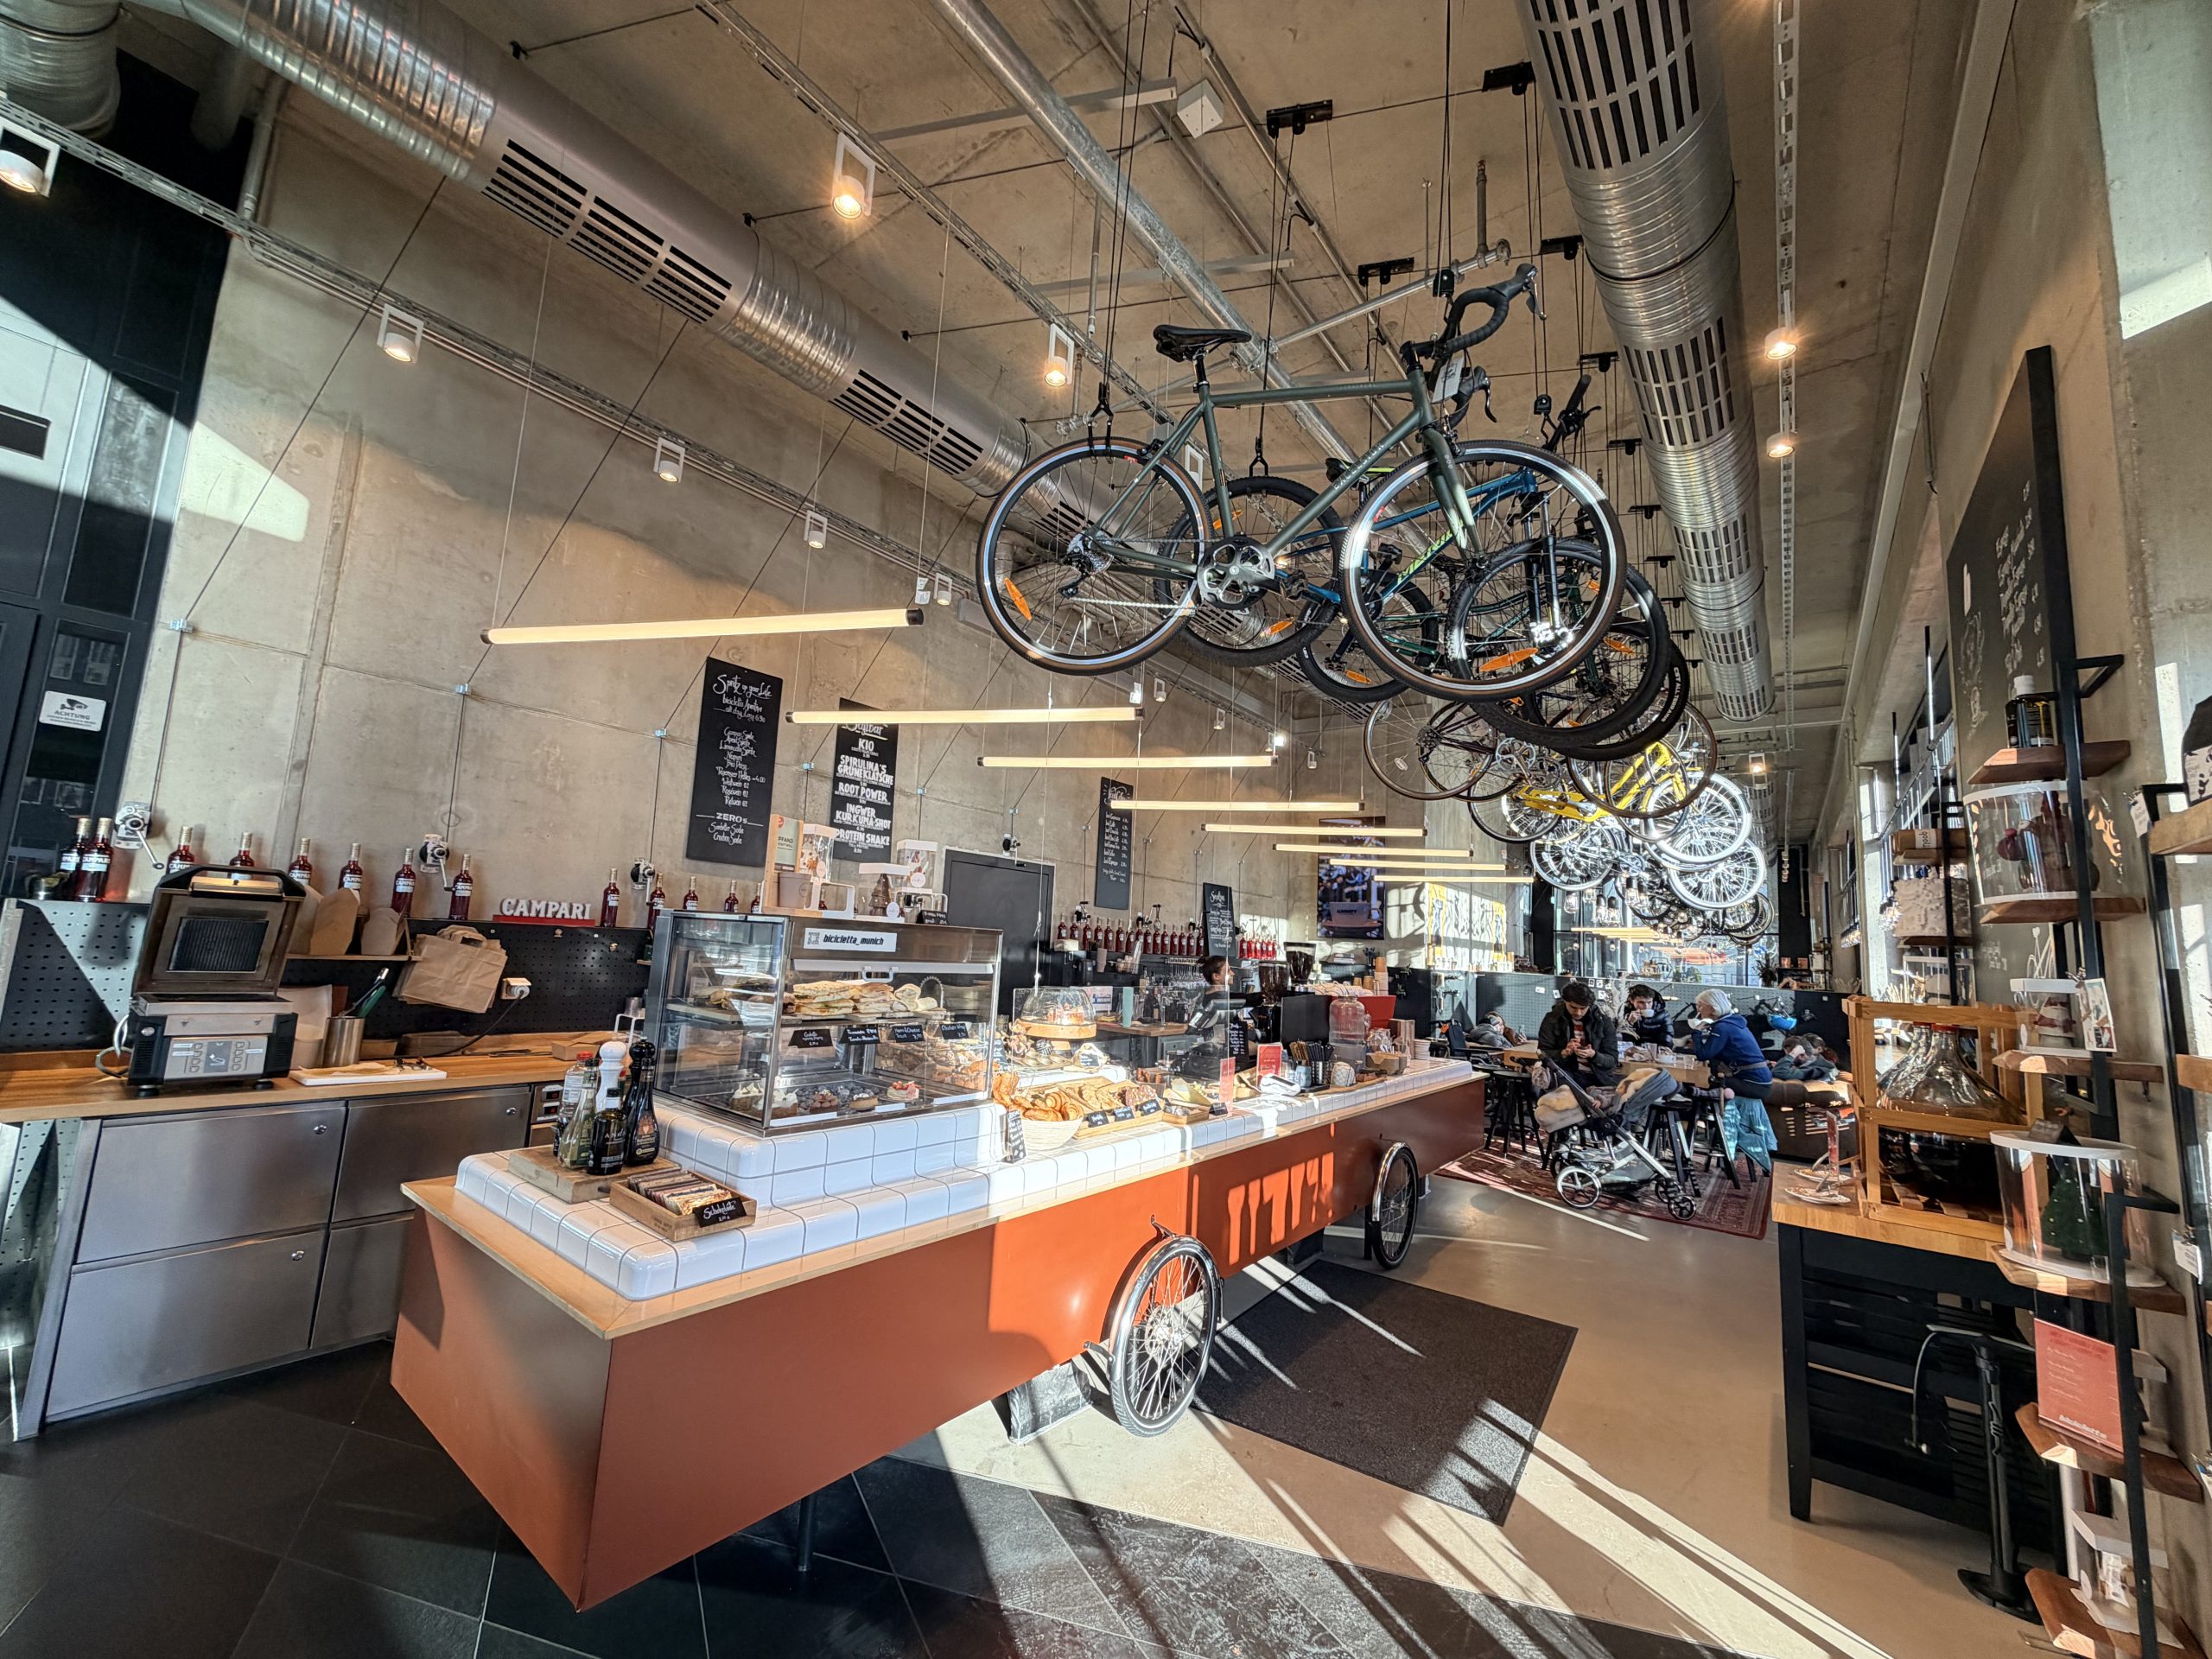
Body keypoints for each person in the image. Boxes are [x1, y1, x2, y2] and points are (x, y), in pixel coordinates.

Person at [1688, 989, 1779, 1172]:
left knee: (1704, 1086)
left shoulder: (1722, 1028)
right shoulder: (1734, 1024)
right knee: (1712, 1084)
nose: (1698, 1009)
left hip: (1753, 1084)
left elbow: (1703, 1054)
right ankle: (1718, 1131)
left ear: (1712, 1008)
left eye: (1700, 1006)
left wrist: (1696, 1034)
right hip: (1761, 1081)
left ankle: (1710, 1131)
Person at [1538, 979, 1618, 1087]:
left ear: (1589, 1005)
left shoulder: (1603, 1022)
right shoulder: (1552, 1019)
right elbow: (1542, 1053)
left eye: (1583, 1008)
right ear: (1565, 1002)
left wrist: (1593, 1055)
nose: (1578, 1013)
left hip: (1599, 1078)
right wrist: (1563, 1053)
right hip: (1565, 1076)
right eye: (1573, 1007)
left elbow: (1612, 1060)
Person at [1624, 983, 1673, 1047]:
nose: (1646, 1007)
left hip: (1655, 1050)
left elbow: (1667, 1038)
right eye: (1641, 1002)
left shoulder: (1663, 1014)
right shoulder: (1623, 1013)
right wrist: (1629, 1023)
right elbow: (1621, 1040)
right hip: (1631, 1050)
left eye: (1649, 1002)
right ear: (1632, 1000)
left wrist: (1658, 1050)